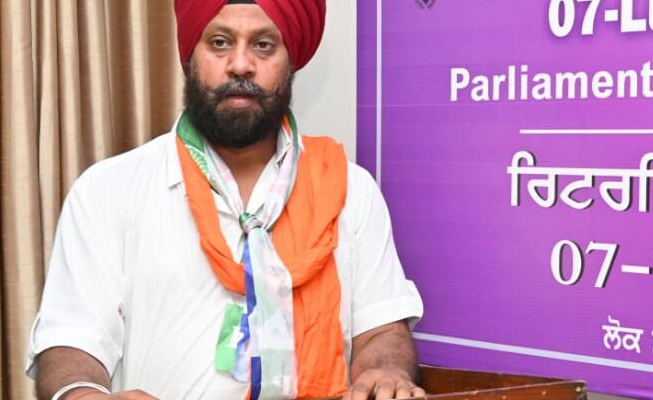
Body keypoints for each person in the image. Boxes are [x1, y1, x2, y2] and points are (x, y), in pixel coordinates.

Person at [27, 1, 425, 399]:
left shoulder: (350, 189)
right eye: (220, 42)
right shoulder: (107, 190)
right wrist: (83, 393)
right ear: (190, 55)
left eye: (263, 45)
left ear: (291, 63)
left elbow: (382, 329)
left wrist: (385, 372)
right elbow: (70, 343)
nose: (240, 65)